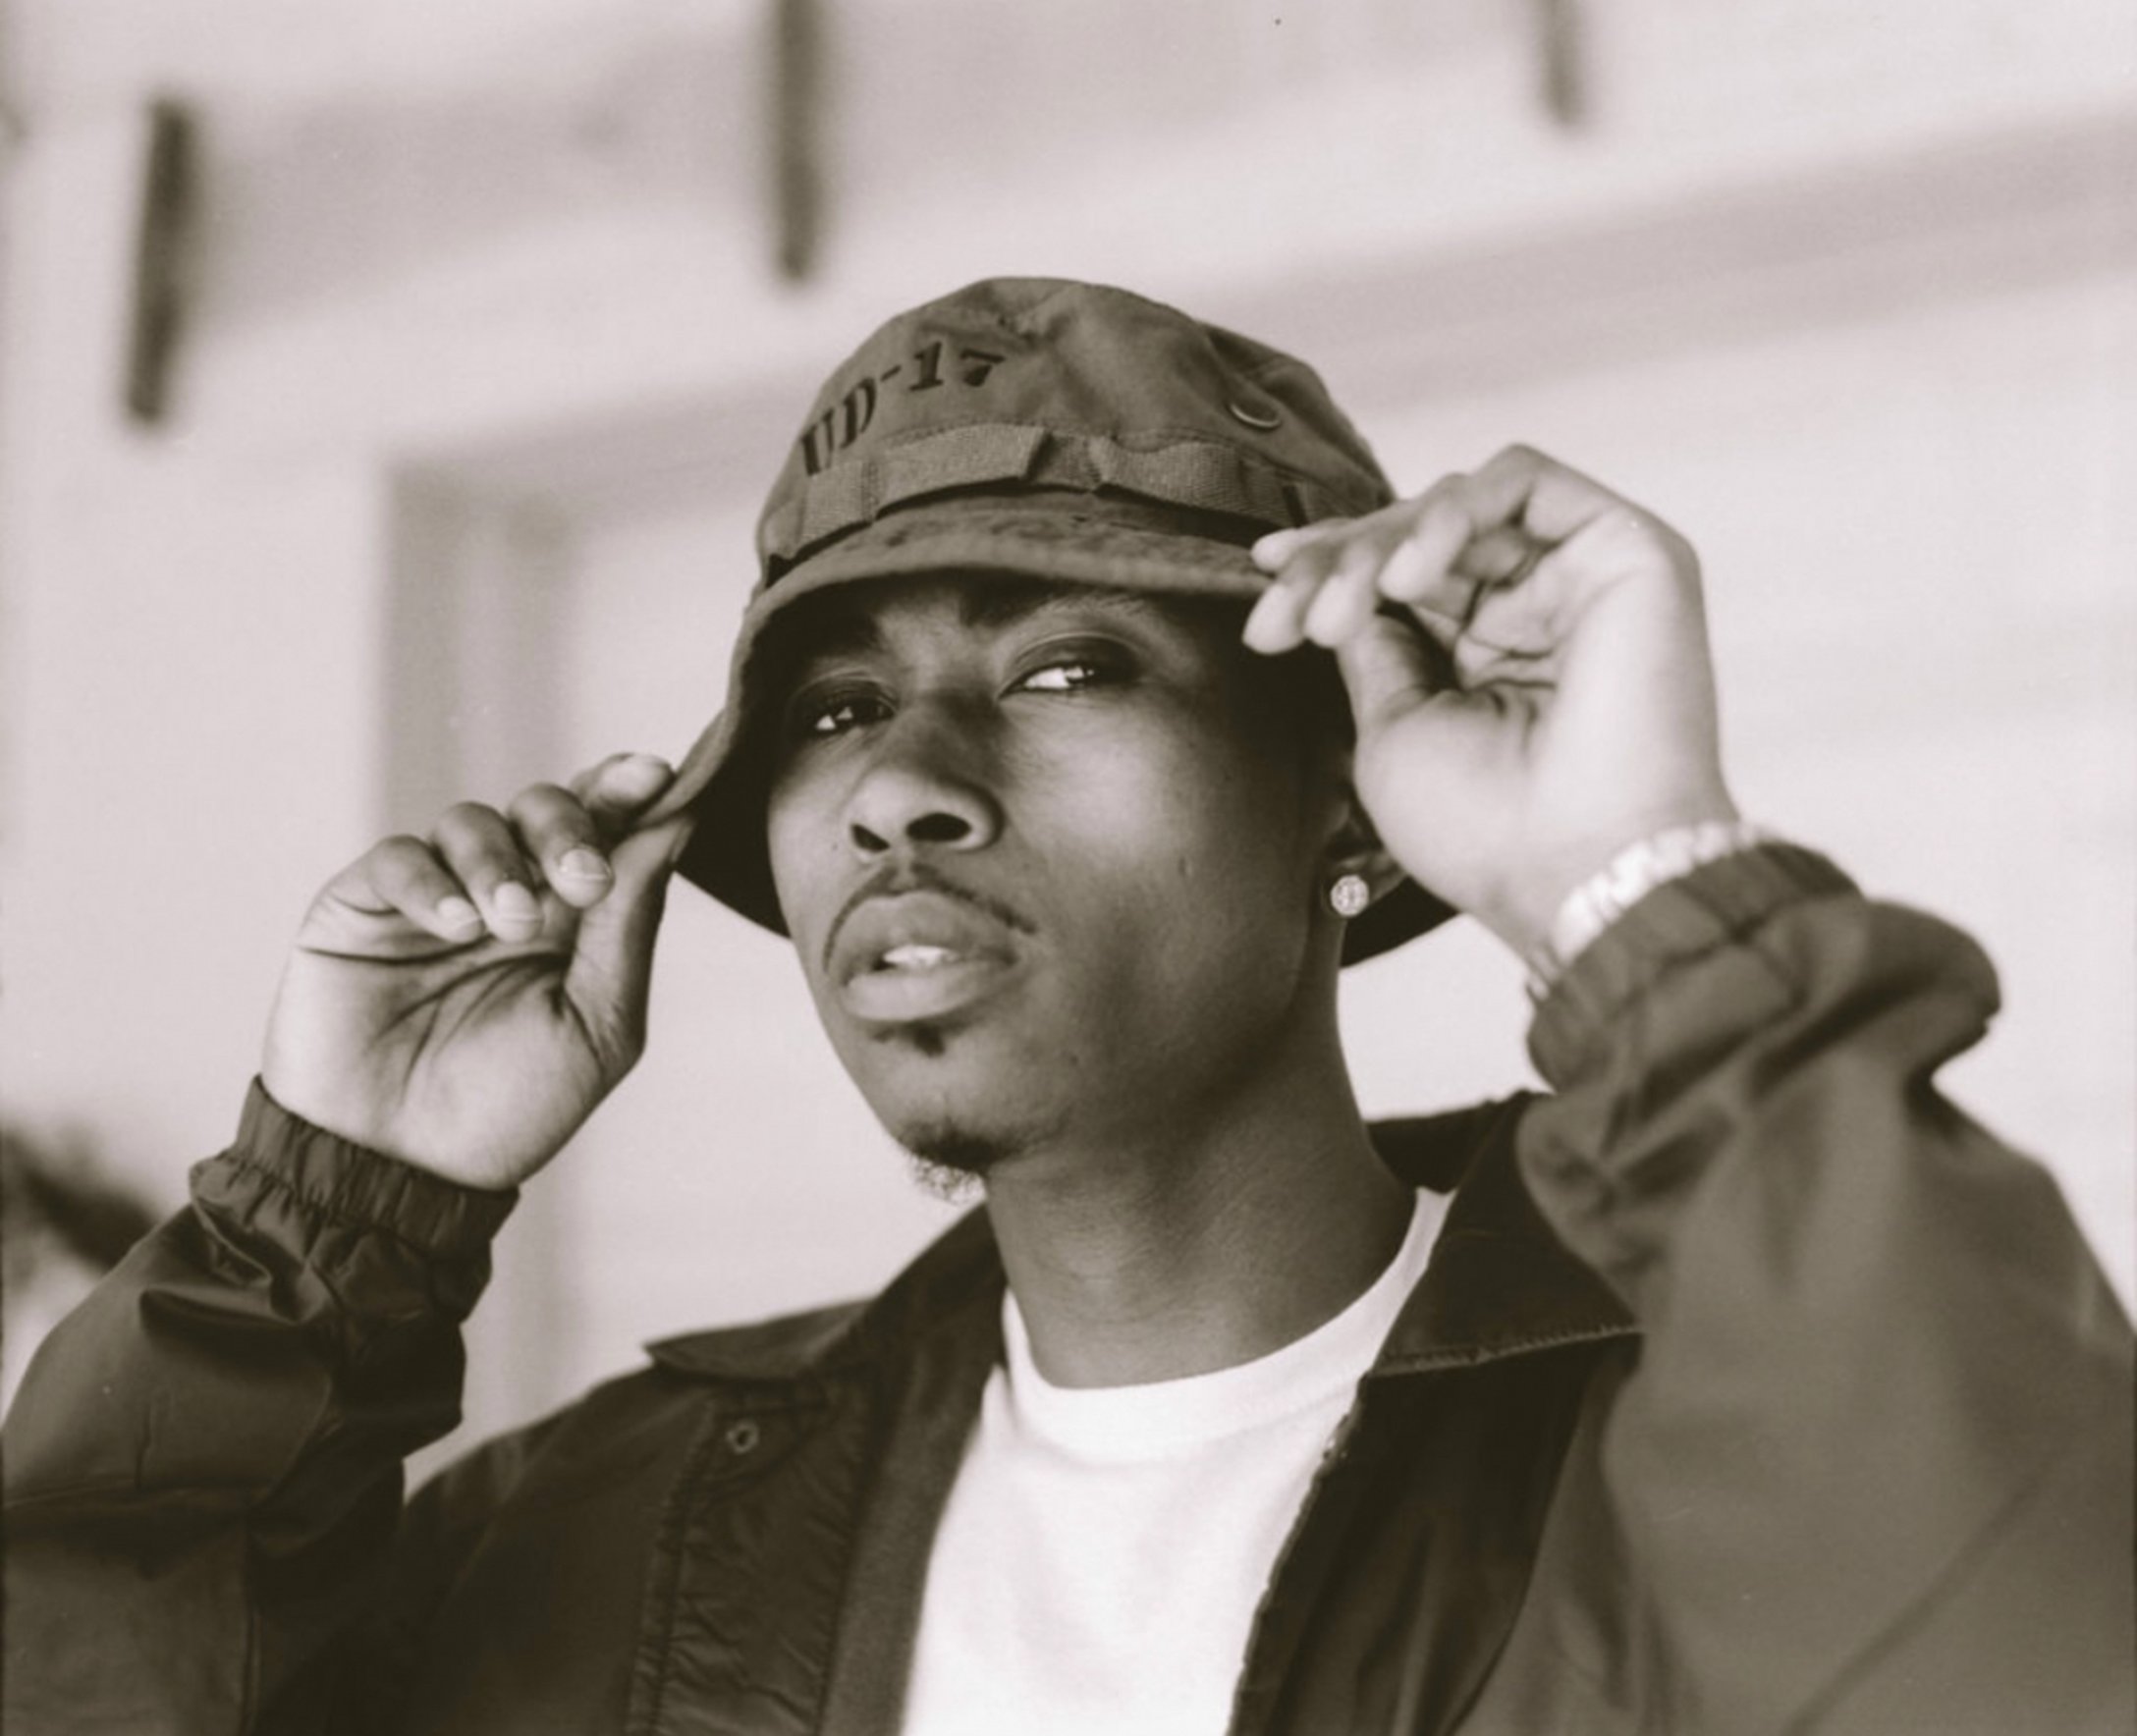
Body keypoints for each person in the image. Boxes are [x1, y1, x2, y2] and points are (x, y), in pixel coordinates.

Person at [5, 278, 2130, 1736]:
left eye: (1064, 666)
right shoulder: (606, 1535)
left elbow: (2028, 1658)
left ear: (1342, 794)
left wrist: (1633, 887)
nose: (900, 786)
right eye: (833, 707)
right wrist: (328, 1230)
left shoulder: (1700, 1420)